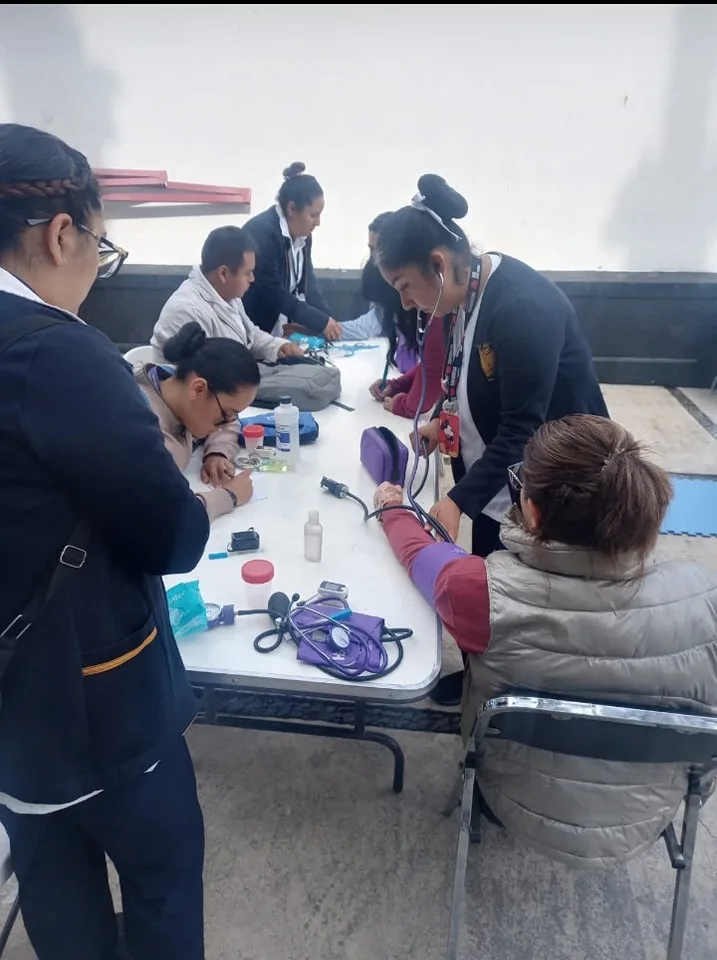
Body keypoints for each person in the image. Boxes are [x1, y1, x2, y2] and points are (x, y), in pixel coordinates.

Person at [0, 123, 208, 960]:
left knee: (56, 895)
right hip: (96, 707)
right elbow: (172, 533)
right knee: (159, 883)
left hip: (15, 716)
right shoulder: (59, 357)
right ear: (60, 234)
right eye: (99, 244)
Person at [375, 414, 717, 867]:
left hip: (511, 796)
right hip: (645, 811)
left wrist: (392, 509)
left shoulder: (477, 590)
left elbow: (421, 553)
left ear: (532, 512)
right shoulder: (707, 600)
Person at [376, 174, 608, 701]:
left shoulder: (522, 308)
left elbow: (524, 431)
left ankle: (522, 693)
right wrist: (445, 424)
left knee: (536, 596)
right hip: (499, 475)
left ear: (437, 264)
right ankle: (485, 674)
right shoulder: (464, 297)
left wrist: (458, 499)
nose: (408, 303)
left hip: (559, 480)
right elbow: (473, 383)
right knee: (490, 579)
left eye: (405, 286)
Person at [136, 322, 260, 519]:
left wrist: (216, 453)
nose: (225, 423)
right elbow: (166, 516)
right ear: (199, 389)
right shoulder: (145, 434)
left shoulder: (171, 385)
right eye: (225, 414)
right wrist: (229, 495)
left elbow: (230, 421)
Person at [150, 224, 302, 361]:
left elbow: (250, 335)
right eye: (247, 273)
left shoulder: (227, 294)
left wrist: (278, 346)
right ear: (223, 273)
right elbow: (200, 379)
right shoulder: (187, 312)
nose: (252, 279)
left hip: (240, 380)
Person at [242, 162, 340, 340]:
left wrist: (327, 317)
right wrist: (318, 320)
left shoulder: (304, 234)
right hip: (254, 330)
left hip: (281, 330)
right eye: (313, 215)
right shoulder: (262, 233)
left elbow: (309, 283)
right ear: (292, 208)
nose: (318, 223)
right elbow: (272, 292)